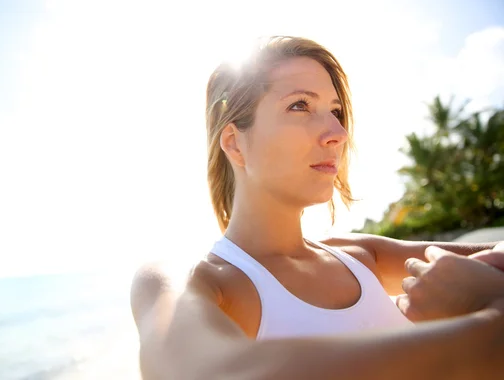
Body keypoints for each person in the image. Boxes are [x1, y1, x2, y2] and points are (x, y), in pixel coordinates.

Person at [130, 36, 504, 379]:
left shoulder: (361, 255)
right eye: (300, 105)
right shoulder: (198, 282)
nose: (338, 133)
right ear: (235, 143)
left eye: (335, 110)